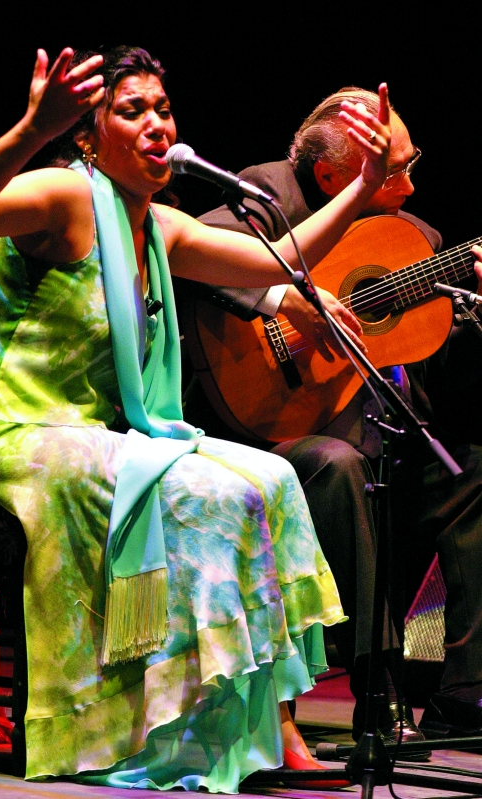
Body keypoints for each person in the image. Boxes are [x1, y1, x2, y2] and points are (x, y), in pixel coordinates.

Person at [0, 49, 393, 790]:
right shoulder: (65, 194)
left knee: (275, 479)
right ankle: (174, 723)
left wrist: (364, 187)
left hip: (95, 437)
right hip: (8, 431)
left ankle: (269, 725)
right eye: (132, 111)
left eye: (163, 109)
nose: (157, 124)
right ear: (89, 136)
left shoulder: (158, 227)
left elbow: (280, 259)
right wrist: (32, 128)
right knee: (216, 495)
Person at [191, 86, 482, 748]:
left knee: (474, 471)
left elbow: (441, 371)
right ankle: (377, 684)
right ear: (330, 178)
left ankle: (464, 693)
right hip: (261, 434)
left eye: (409, 163)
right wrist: (284, 303)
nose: (409, 185)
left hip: (380, 438)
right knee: (340, 466)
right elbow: (192, 256)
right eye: (393, 169)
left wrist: (476, 319)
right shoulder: (264, 194)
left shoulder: (414, 241)